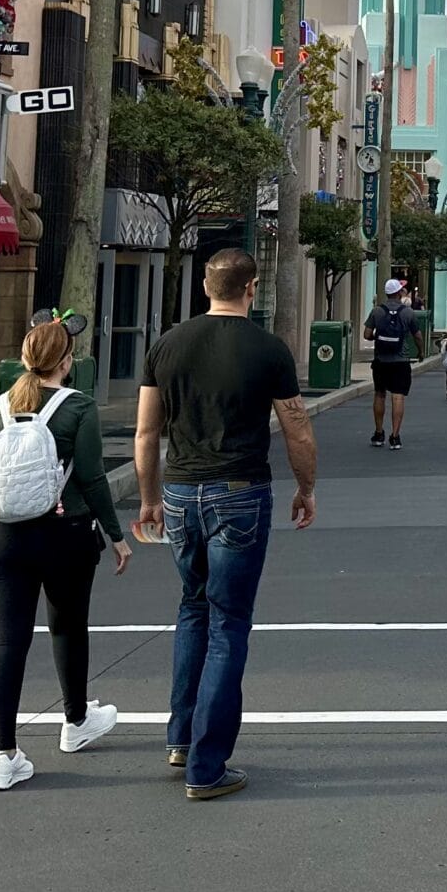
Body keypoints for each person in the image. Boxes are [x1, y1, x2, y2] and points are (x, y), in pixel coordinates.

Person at [135, 245, 316, 801]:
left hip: (182, 492)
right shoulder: (269, 350)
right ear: (251, 288)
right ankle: (207, 767)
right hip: (240, 492)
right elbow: (297, 430)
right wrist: (306, 488)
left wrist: (148, 500)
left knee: (193, 608)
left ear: (206, 288)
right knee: (229, 622)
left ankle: (182, 738)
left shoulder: (167, 344)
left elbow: (146, 434)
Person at [0, 314, 129, 791]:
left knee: (6, 641)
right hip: (65, 534)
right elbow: (91, 476)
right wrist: (116, 534)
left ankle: (5, 755)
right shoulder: (78, 407)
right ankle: (75, 722)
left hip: (1, 539)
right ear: (67, 362)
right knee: (67, 626)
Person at [365, 279, 419, 447]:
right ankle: (395, 436)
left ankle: (379, 432)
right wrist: (421, 351)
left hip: (381, 360)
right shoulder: (408, 312)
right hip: (401, 361)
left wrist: (379, 338)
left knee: (380, 394)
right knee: (398, 397)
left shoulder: (377, 312)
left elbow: (367, 334)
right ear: (398, 293)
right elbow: (417, 335)